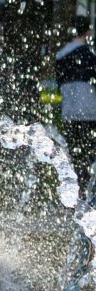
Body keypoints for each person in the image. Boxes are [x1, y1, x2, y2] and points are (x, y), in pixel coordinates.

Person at [55, 15, 96, 184]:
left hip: (69, 111)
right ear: (87, 32)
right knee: (89, 156)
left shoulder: (61, 55)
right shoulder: (90, 55)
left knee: (74, 155)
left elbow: (60, 84)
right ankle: (87, 194)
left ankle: (76, 192)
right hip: (90, 112)